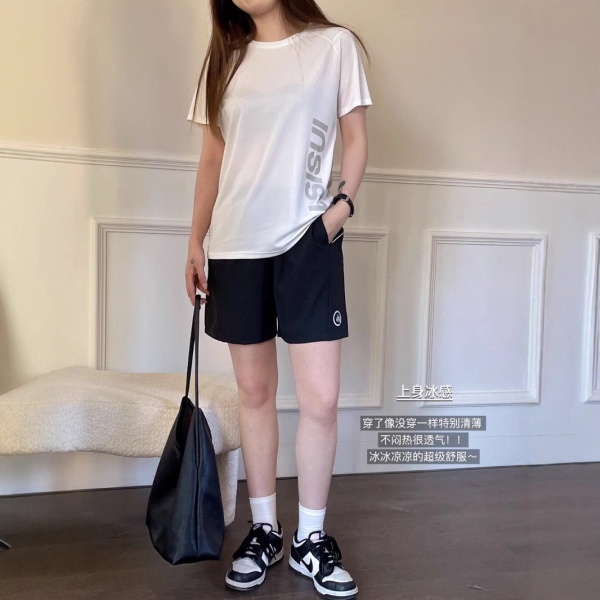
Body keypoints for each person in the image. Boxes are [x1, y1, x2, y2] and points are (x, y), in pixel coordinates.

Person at [185, 1, 372, 598]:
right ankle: (264, 529)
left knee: (321, 399)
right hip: (236, 245)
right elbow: (212, 158)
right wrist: (195, 240)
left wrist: (338, 212)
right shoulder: (224, 59)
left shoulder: (334, 46)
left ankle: (311, 538)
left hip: (308, 243)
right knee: (255, 393)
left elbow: (356, 138)